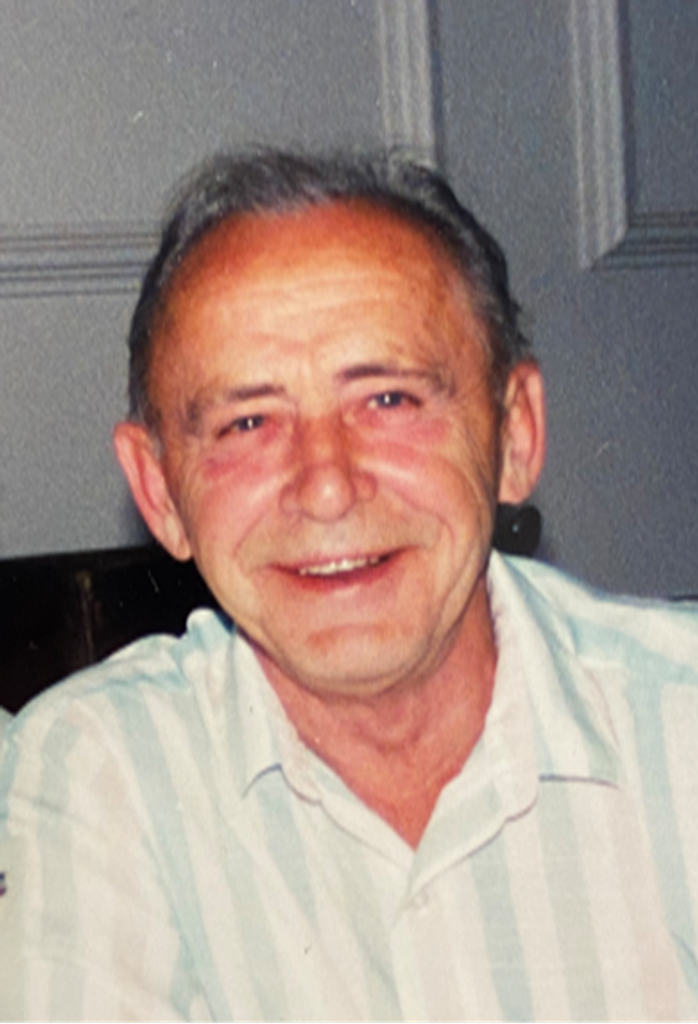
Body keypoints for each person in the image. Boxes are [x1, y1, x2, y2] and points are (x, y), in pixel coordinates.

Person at [1, 149, 698, 1022]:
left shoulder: (678, 724)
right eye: (248, 422)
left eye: (389, 401)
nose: (326, 485)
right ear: (160, 492)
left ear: (514, 435)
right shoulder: (100, 773)